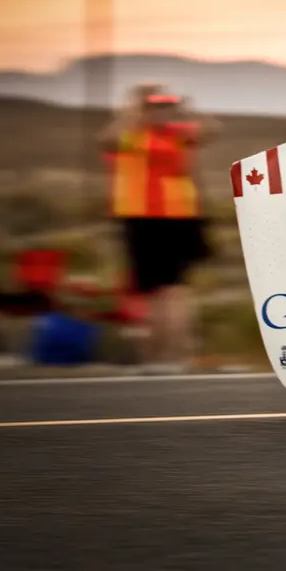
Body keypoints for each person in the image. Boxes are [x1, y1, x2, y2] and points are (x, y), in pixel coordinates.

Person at [101, 84, 217, 373]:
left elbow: (108, 139)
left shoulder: (145, 134)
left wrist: (150, 109)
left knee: (163, 291)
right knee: (169, 289)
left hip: (150, 218)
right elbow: (108, 140)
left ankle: (164, 357)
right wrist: (180, 109)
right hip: (175, 216)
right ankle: (169, 356)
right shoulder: (169, 134)